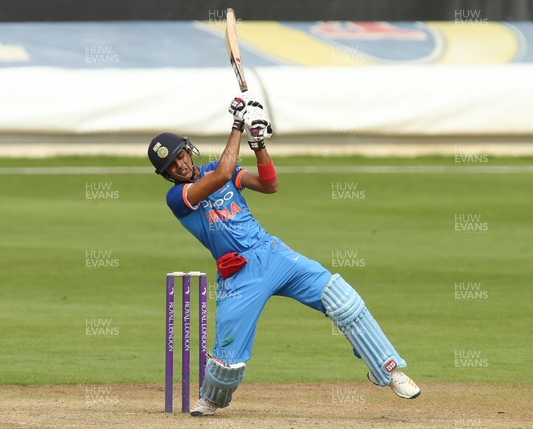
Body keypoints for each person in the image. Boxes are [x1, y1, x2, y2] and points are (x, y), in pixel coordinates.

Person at [147, 93, 421, 417]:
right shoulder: (177, 197)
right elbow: (221, 175)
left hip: (273, 253)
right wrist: (237, 124)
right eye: (172, 166)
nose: (180, 165)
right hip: (239, 273)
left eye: (180, 156)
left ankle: (387, 370)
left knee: (341, 299)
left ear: (188, 151)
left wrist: (259, 145)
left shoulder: (219, 168)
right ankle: (212, 397)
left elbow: (269, 184)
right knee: (227, 359)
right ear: (167, 176)